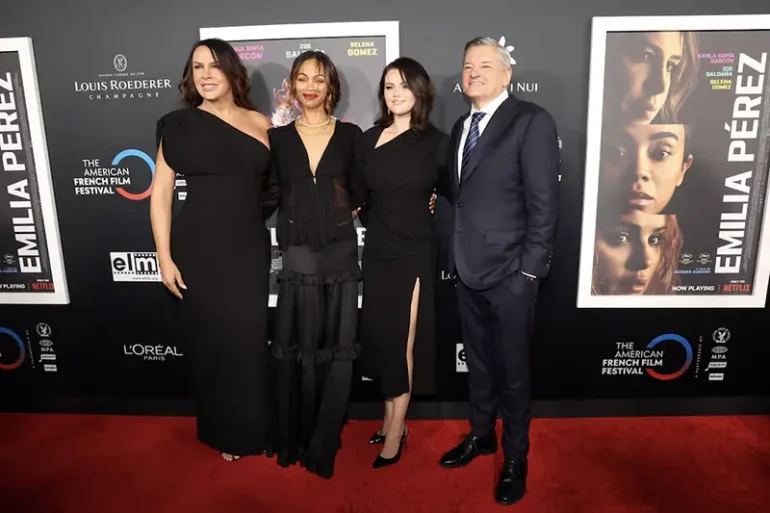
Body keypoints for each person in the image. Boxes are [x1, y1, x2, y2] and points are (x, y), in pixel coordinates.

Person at [437, 37, 560, 506]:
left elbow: (545, 204)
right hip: (467, 268)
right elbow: (461, 195)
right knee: (481, 364)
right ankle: (481, 434)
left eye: (485, 66)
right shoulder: (460, 126)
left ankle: (515, 457)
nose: (474, 73)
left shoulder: (532, 121)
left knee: (512, 371)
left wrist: (529, 271)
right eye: (468, 66)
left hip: (512, 274)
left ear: (507, 74)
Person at [149, 38, 276, 462]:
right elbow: (161, 194)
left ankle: (255, 426)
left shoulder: (261, 122)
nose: (205, 74)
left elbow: (283, 183)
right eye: (197, 67)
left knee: (248, 341)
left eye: (213, 66)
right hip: (198, 248)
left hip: (247, 246)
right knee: (215, 344)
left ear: (231, 72)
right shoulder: (176, 125)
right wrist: (164, 258)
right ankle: (227, 431)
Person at [267, 51, 362, 480]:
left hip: (341, 254)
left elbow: (367, 190)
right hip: (299, 255)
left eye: (319, 79)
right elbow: (266, 195)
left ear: (331, 87)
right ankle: (299, 433)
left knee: (335, 346)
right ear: (292, 86)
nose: (310, 86)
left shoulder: (351, 135)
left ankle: (325, 434)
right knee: (302, 345)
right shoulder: (278, 139)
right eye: (302, 78)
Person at [351, 57, 448, 468]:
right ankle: (392, 418)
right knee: (384, 339)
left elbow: (449, 196)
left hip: (414, 252)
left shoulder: (436, 142)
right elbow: (359, 197)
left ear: (419, 92)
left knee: (403, 342)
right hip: (377, 252)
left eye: (404, 86)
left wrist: (426, 207)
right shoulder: (368, 138)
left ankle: (395, 428)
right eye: (389, 86)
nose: (396, 93)